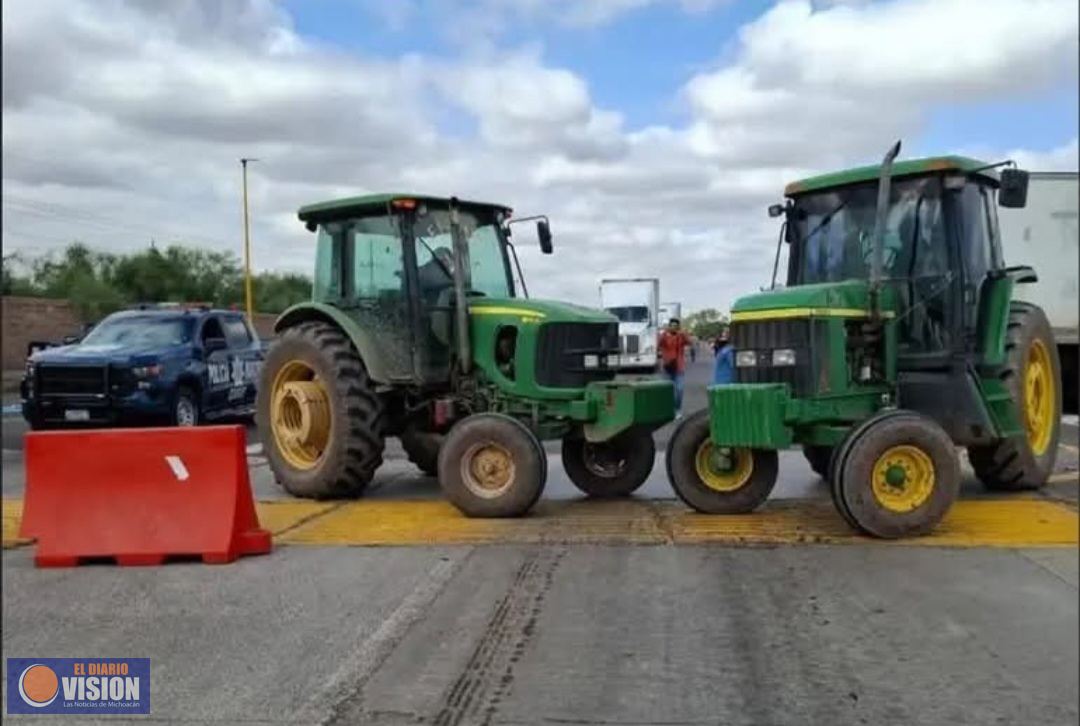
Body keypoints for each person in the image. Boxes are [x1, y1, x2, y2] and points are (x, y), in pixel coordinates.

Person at [658, 318, 693, 417]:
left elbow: (690, 342)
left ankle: (677, 409)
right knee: (667, 391)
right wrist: (665, 332)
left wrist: (683, 334)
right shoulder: (664, 336)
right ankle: (667, 409)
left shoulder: (681, 336)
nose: (674, 328)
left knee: (680, 390)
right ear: (669, 326)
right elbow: (659, 343)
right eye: (672, 326)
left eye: (676, 326)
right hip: (667, 368)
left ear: (678, 327)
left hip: (679, 368)